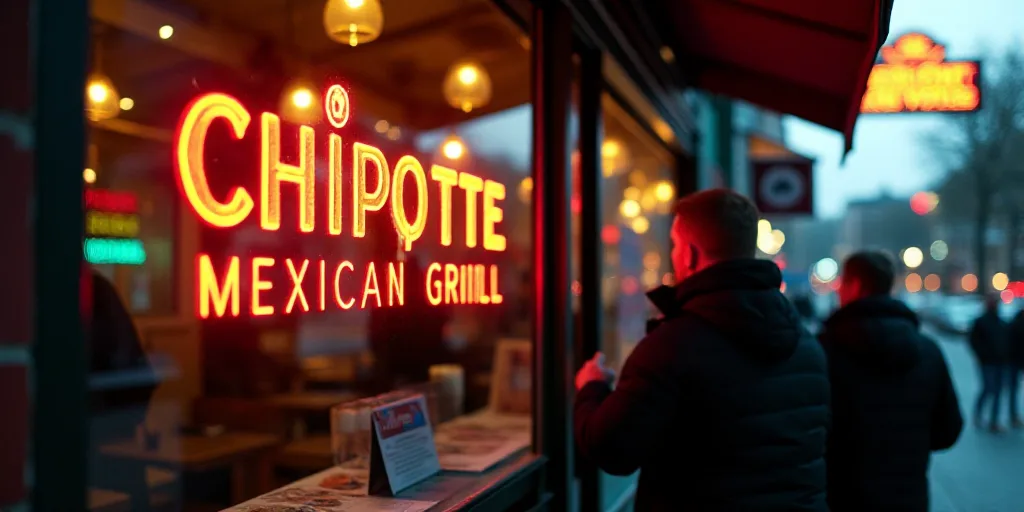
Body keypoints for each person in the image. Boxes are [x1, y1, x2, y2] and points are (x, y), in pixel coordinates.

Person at [574, 189, 830, 511]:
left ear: (690, 254)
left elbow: (612, 449)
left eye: (675, 245)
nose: (674, 254)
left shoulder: (671, 346)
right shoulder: (806, 343)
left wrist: (591, 387)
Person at [819, 252, 962, 512]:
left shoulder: (825, 350)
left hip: (843, 497)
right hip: (909, 498)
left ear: (856, 285)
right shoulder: (928, 351)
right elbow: (948, 431)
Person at [968, 294, 1010, 431]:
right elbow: (974, 341)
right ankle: (979, 415)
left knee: (997, 391)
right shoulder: (981, 322)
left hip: (1000, 362)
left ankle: (993, 420)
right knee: (988, 388)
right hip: (988, 362)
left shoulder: (1000, 321)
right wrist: (982, 355)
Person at [1009, 308, 1024, 428]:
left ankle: (1014, 416)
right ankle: (1013, 416)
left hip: (1015, 360)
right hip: (1015, 360)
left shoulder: (1017, 318)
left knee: (1013, 390)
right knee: (1013, 389)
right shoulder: (1018, 319)